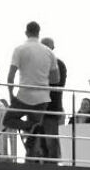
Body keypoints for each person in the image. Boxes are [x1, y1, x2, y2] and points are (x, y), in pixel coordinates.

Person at [5, 21, 59, 162]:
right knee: (34, 133)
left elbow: (10, 77)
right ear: (38, 33)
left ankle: (31, 128)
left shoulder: (19, 49)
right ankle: (35, 151)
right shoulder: (48, 52)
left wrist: (11, 95)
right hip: (43, 98)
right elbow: (56, 79)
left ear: (26, 32)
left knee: (8, 120)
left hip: (24, 96)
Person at [40, 36, 66, 163]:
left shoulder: (58, 64)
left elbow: (57, 85)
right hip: (37, 109)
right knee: (37, 143)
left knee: (51, 144)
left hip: (51, 110)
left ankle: (51, 168)